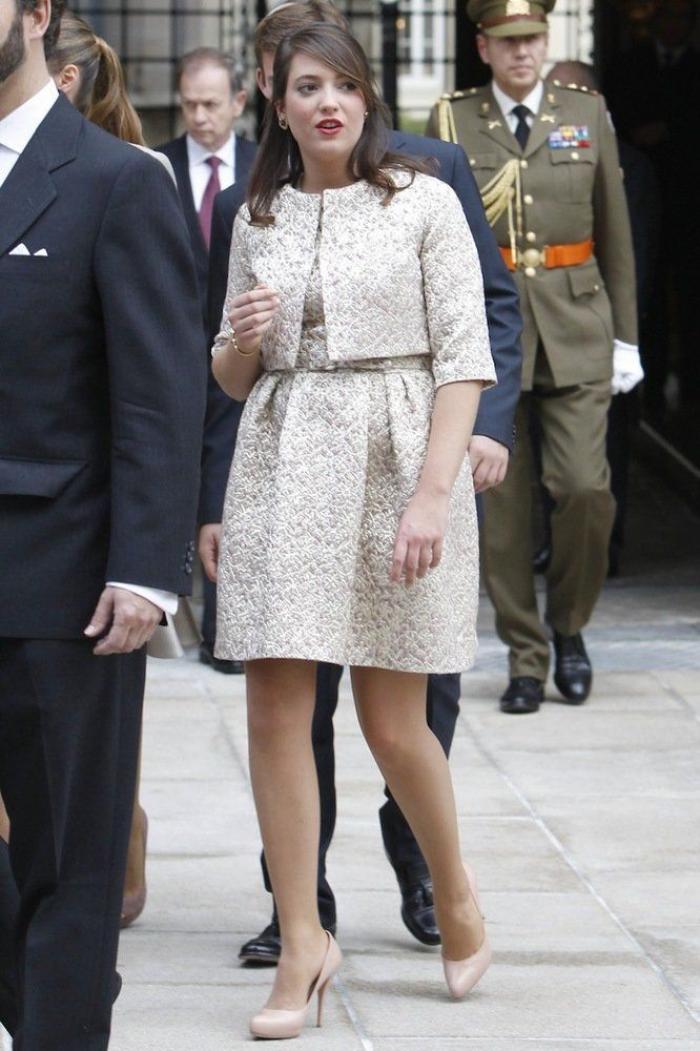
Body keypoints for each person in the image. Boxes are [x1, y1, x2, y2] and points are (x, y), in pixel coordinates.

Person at [201, 0, 522, 964]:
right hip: (283, 465)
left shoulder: (422, 199)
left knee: (393, 723)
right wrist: (242, 339)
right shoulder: (255, 214)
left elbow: (465, 358)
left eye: (344, 84)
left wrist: (432, 496)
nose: (328, 102)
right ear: (279, 102)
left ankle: (454, 893)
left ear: (367, 95)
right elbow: (231, 377)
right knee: (275, 711)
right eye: (308, 87)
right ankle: (303, 938)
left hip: (396, 462)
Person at [0, 0, 205, 1046]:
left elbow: (160, 393)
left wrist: (146, 568)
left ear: (37, 14)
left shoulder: (119, 180)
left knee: (70, 867)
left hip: (60, 580)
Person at [427, 0, 641, 715]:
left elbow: (615, 230)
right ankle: (526, 656)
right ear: (483, 47)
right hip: (491, 339)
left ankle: (570, 626)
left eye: (534, 39)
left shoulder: (585, 112)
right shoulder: (453, 119)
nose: (523, 52)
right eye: (509, 41)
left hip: (578, 327)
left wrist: (627, 337)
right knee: (503, 513)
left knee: (584, 489)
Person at [159, 49, 255, 676]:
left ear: (239, 103)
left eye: (211, 104)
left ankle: (226, 628)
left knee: (234, 477)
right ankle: (166, 604)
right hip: (171, 350)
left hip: (241, 352)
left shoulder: (266, 166)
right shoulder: (154, 167)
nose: (199, 116)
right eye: (189, 104)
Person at [605, 0, 700, 424]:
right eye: (669, 16)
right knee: (647, 293)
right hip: (636, 195)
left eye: (684, 18)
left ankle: (691, 392)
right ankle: (650, 393)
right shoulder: (629, 65)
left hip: (688, 204)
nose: (675, 25)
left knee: (692, 296)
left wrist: (671, 130)